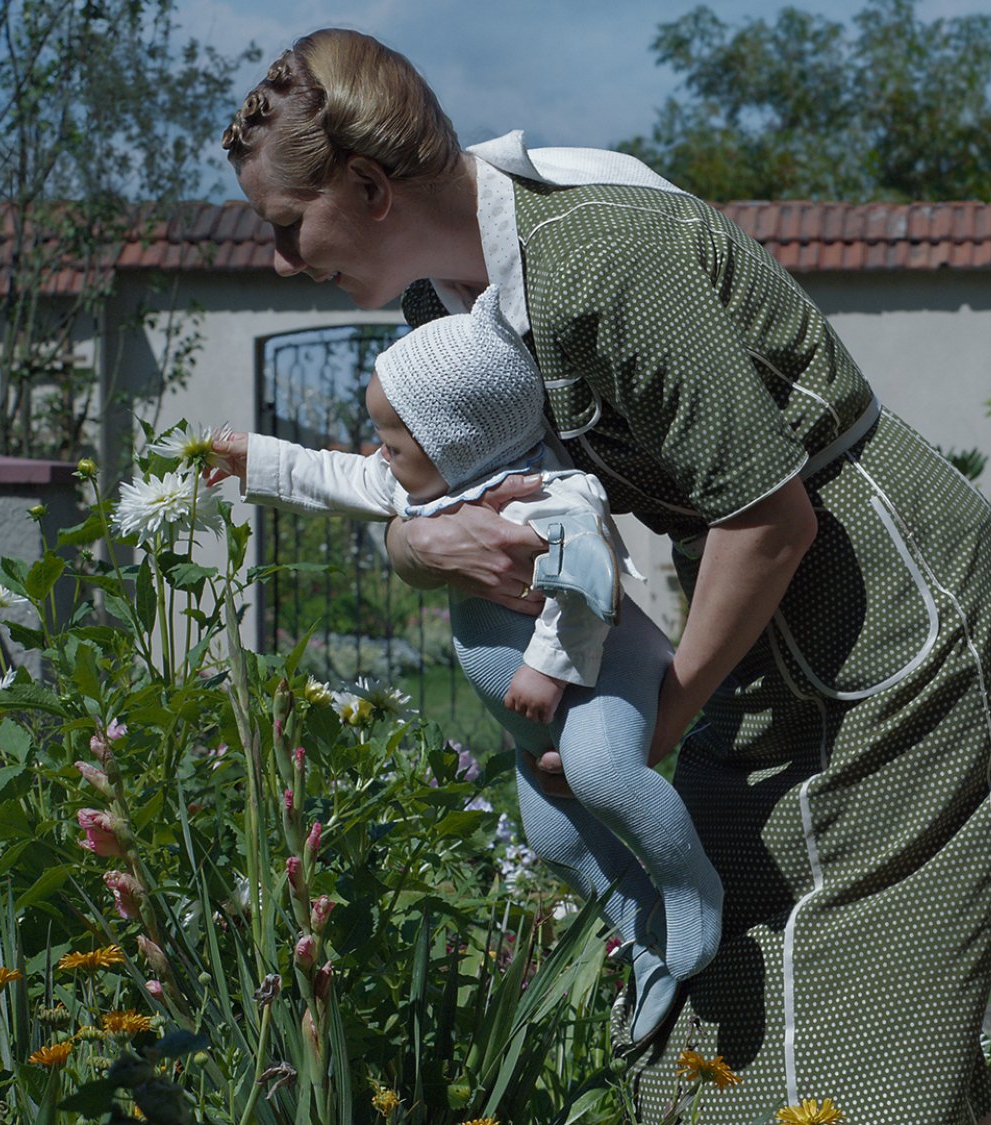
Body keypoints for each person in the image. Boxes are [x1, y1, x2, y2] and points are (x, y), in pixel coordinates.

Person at [218, 28, 991, 1125]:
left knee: (844, 1030)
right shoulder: (449, 308)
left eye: (287, 226)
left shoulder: (600, 261)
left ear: (367, 185)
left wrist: (664, 716)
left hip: (892, 620)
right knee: (732, 993)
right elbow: (424, 502)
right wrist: (420, 547)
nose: (280, 261)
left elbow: (769, 519)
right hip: (757, 632)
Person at [212, 288, 722, 1045]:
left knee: (605, 775)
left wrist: (547, 669)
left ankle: (690, 890)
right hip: (531, 717)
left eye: (393, 439)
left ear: (456, 439)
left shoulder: (550, 497)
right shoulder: (431, 487)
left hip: (599, 676)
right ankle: (640, 926)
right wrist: (251, 457)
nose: (377, 450)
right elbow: (334, 476)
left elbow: (588, 583)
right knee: (555, 840)